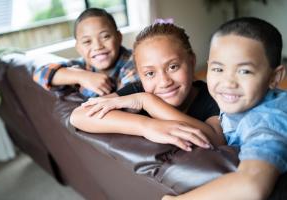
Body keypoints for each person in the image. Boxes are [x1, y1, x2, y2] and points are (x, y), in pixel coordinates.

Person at [162, 17, 287, 200]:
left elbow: (251, 185)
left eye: (244, 71)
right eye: (218, 69)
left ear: (275, 77)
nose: (228, 83)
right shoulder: (237, 100)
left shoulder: (267, 121)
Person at [70, 21, 226, 151]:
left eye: (173, 67)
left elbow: (216, 139)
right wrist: (146, 126)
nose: (164, 82)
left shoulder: (213, 96)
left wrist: (148, 101)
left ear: (192, 62)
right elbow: (78, 116)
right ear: (140, 75)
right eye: (150, 73)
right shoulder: (138, 89)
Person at [33, 8, 139, 98]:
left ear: (119, 37)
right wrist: (82, 77)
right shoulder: (80, 66)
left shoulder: (135, 60)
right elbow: (39, 74)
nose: (98, 46)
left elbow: (126, 100)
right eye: (87, 41)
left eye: (105, 37)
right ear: (78, 47)